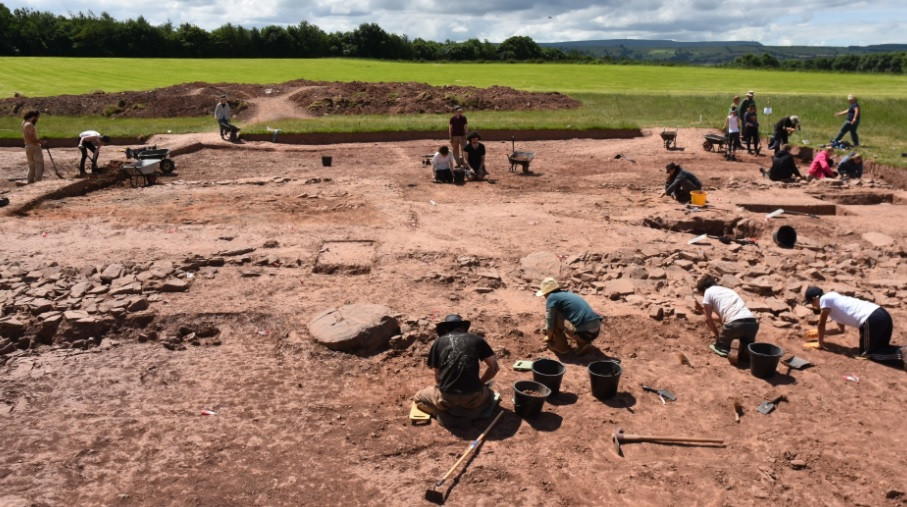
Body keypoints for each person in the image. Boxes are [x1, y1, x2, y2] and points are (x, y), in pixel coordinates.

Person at [413, 314, 500, 417]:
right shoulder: (477, 340)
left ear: (445, 330)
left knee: (418, 397)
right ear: (463, 328)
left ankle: (442, 414)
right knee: (491, 394)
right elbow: (494, 368)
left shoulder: (438, 342)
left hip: (447, 398)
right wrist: (481, 383)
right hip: (473, 398)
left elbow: (437, 378)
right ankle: (473, 413)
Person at [805, 286, 905, 369]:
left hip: (870, 319)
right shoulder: (833, 298)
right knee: (881, 348)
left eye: (811, 303)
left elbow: (821, 324)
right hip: (882, 314)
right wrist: (822, 332)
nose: (813, 306)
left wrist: (820, 343)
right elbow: (840, 330)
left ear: (815, 298)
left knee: (867, 354)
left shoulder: (824, 300)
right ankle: (902, 352)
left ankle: (903, 355)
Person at [696, 274, 759, 365]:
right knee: (746, 345)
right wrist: (703, 311)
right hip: (752, 324)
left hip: (735, 324)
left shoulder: (708, 292)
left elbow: (707, 319)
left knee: (719, 346)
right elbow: (722, 319)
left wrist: (718, 335)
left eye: (702, 294)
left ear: (704, 289)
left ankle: (728, 348)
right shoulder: (728, 291)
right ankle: (744, 349)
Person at [536, 277, 602, 355]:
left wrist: (549, 336)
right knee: (572, 316)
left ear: (547, 293)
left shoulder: (551, 297)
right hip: (595, 331)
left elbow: (549, 322)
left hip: (584, 332)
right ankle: (583, 344)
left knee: (554, 317)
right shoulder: (567, 294)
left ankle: (561, 348)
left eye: (544, 294)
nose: (544, 297)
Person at [22, 110, 45, 184]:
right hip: (34, 146)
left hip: (28, 146)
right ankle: (38, 180)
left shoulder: (24, 122)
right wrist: (40, 141)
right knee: (39, 163)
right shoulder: (29, 124)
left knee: (31, 164)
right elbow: (30, 138)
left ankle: (30, 179)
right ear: (34, 116)